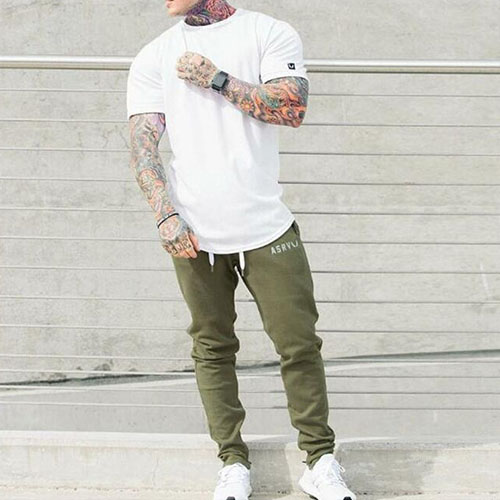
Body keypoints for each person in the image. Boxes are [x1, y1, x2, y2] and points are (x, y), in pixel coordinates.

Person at [127, 1, 357, 500]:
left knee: (299, 344)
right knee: (212, 348)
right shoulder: (153, 56)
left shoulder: (268, 32)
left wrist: (217, 79)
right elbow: (143, 148)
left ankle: (319, 460)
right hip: (194, 234)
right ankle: (232, 462)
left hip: (268, 227)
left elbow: (291, 109)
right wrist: (165, 215)